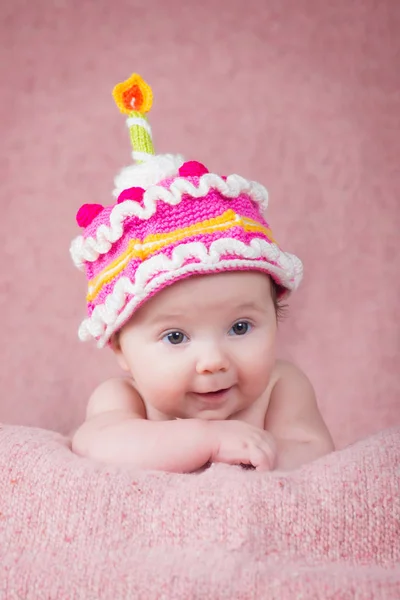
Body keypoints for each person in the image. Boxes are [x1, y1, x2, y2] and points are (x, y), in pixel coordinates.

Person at [70, 73, 334, 472]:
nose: (213, 361)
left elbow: (315, 455)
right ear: (120, 348)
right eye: (175, 337)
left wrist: (263, 456)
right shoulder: (124, 399)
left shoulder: (281, 387)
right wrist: (207, 441)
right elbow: (96, 446)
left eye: (241, 327)